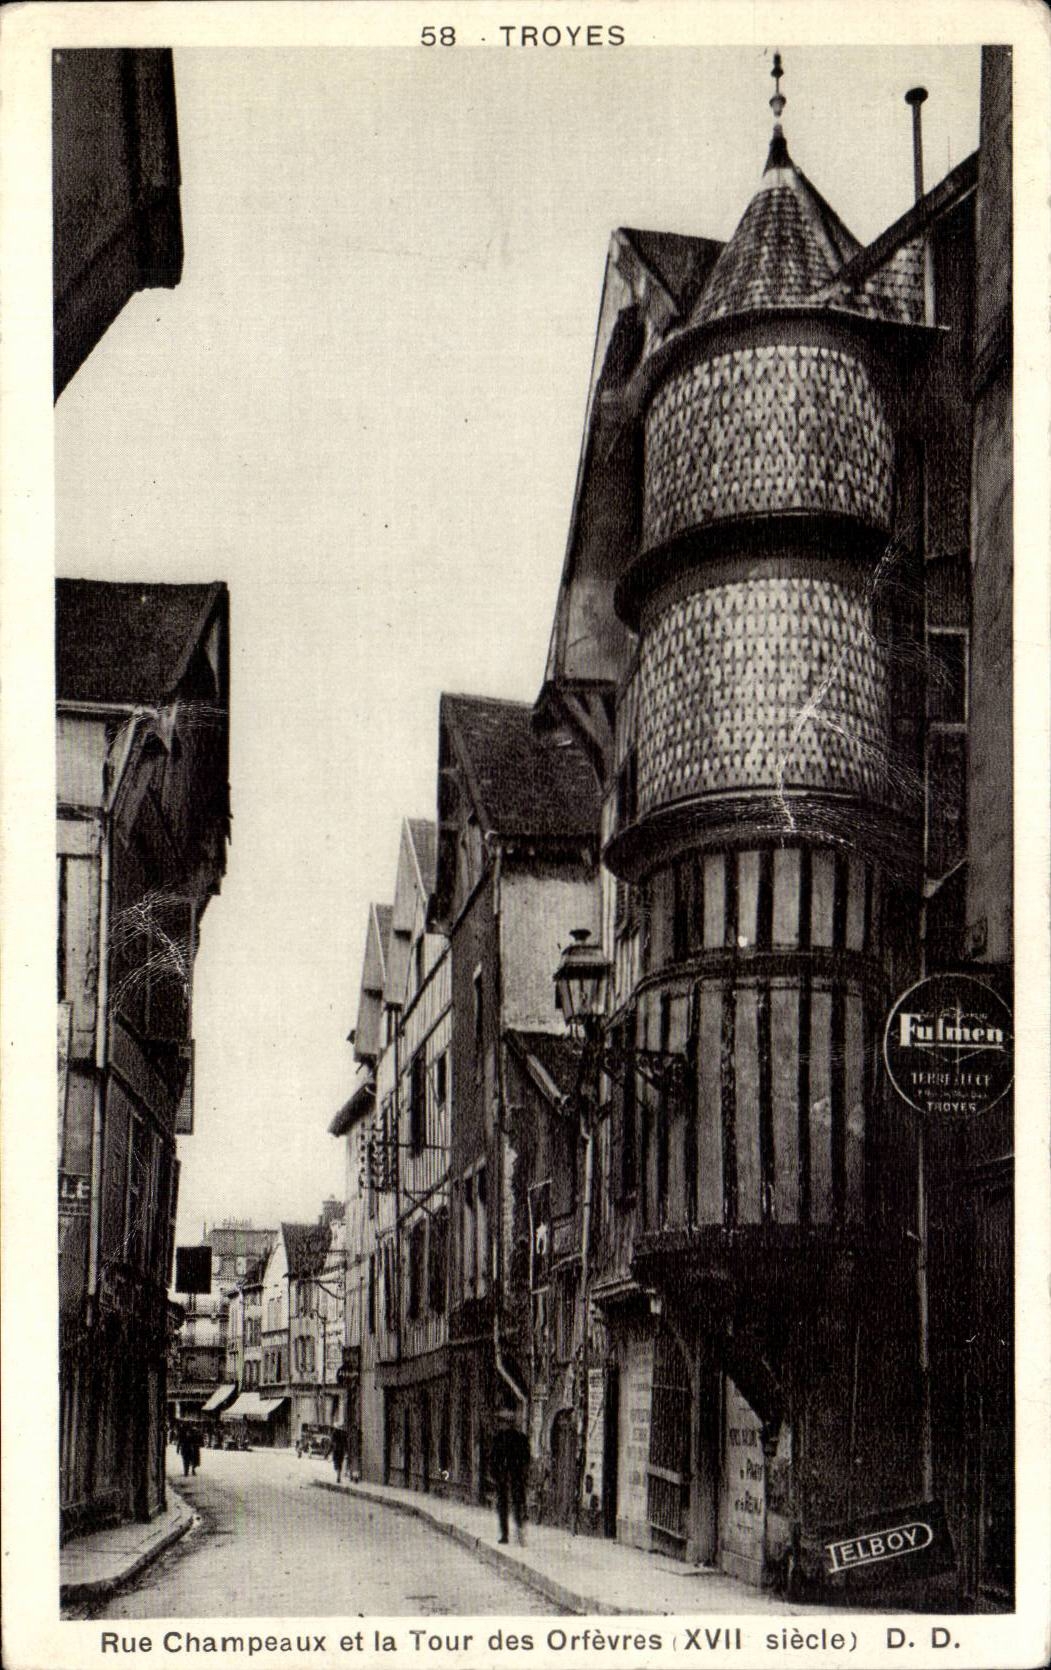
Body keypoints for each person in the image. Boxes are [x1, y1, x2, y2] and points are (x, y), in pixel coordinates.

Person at [490, 1408, 530, 1546]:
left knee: (509, 1505)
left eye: (502, 1422)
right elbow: (526, 1459)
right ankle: (512, 1535)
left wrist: (496, 1474)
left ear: (508, 1423)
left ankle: (510, 1535)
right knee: (513, 1505)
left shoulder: (502, 1438)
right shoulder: (518, 1438)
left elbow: (493, 1459)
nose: (501, 1424)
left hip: (510, 1477)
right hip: (511, 1477)